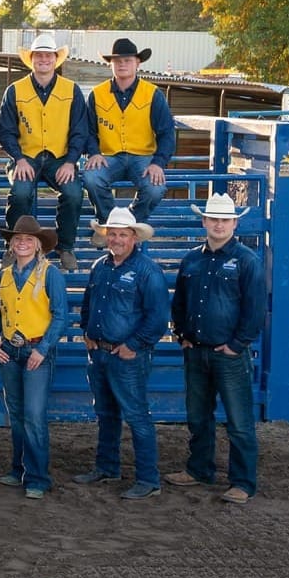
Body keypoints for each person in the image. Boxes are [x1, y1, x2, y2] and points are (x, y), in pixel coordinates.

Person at [168, 193, 265, 504]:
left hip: (228, 354)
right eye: (214, 219)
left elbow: (255, 309)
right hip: (195, 349)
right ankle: (199, 469)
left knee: (239, 421)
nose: (219, 224)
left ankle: (243, 482)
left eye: (224, 220)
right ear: (204, 222)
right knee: (198, 415)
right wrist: (180, 333)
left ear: (234, 223)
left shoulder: (248, 261)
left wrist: (236, 345)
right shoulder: (191, 260)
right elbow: (180, 302)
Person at [73, 207, 170, 500]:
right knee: (106, 413)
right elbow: (89, 303)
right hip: (100, 352)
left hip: (127, 355)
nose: (116, 239)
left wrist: (135, 345)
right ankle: (107, 466)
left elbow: (157, 317)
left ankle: (148, 479)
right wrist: (87, 332)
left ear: (134, 238)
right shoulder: (100, 266)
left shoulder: (147, 270)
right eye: (112, 234)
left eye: (122, 235)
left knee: (137, 416)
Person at [0, 215, 70, 500]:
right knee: (18, 414)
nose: (22, 243)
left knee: (34, 415)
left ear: (38, 245)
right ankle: (18, 468)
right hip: (10, 350)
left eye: (28, 240)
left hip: (37, 351)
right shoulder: (5, 275)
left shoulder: (50, 274)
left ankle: (37, 476)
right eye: (17, 239)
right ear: (11, 244)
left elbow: (61, 316)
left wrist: (43, 348)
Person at [0, 32, 90, 269]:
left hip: (60, 158)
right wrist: (18, 159)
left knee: (73, 193)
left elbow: (80, 130)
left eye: (48, 55)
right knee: (20, 192)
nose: (44, 60)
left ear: (56, 59)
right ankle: (14, 246)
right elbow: (6, 131)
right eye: (39, 55)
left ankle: (65, 247)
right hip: (25, 157)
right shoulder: (15, 90)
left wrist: (71, 161)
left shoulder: (72, 90)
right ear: (32, 59)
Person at [83, 38, 178, 241]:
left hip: (143, 157)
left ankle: (128, 227)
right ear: (111, 64)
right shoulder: (96, 94)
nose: (122, 64)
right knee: (91, 178)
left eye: (127, 60)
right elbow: (88, 131)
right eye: (117, 61)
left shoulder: (153, 94)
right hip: (109, 157)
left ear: (138, 63)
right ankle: (109, 226)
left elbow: (167, 133)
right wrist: (93, 152)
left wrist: (158, 163)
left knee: (155, 188)